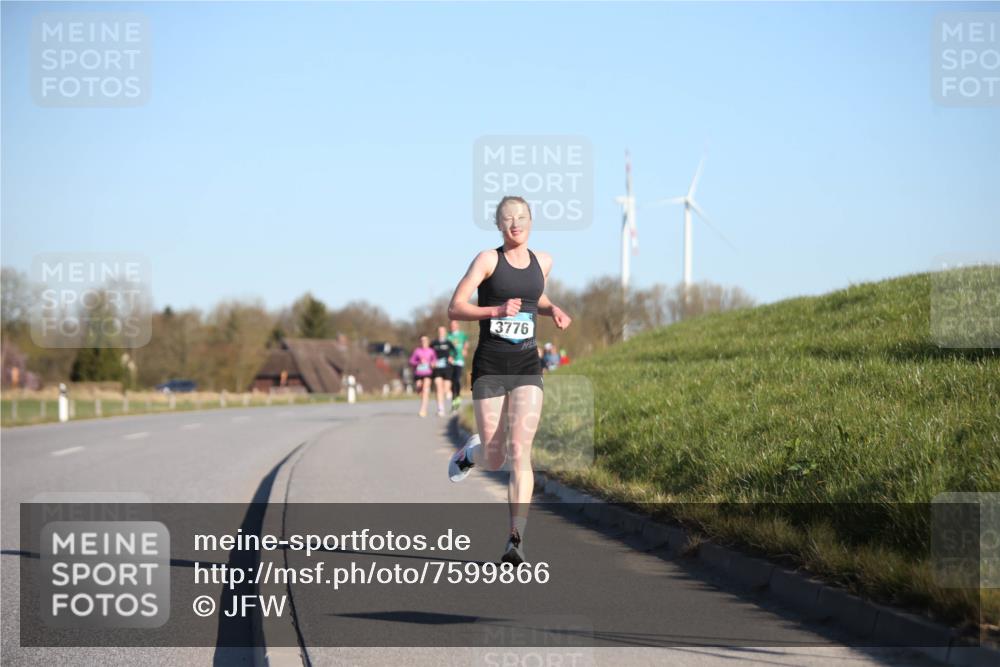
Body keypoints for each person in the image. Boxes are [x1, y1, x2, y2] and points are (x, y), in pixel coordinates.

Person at [446, 195, 572, 564]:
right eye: (506, 219)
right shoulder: (488, 260)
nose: (514, 223)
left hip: (527, 367)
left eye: (521, 217)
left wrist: (554, 309)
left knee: (521, 452)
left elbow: (535, 297)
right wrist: (495, 310)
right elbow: (455, 306)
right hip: (490, 366)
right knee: (496, 456)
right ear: (498, 225)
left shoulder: (543, 262)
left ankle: (515, 539)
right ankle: (472, 452)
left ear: (531, 220)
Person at [430, 326, 456, 417]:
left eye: (442, 331)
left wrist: (451, 357)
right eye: (439, 331)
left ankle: (448, 391)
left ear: (445, 332)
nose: (441, 333)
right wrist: (431, 362)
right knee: (438, 386)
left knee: (445, 389)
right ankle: (440, 408)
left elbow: (455, 351)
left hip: (447, 367)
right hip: (437, 368)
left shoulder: (448, 343)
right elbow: (429, 353)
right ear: (437, 332)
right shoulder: (433, 343)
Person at [409, 336, 437, 417]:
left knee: (425, 389)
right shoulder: (417, 351)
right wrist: (418, 362)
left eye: (425, 341)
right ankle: (422, 398)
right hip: (418, 373)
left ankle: (423, 409)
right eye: (422, 341)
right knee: (419, 389)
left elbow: (434, 360)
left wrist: (432, 364)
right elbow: (411, 361)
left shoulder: (431, 351)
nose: (423, 342)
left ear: (428, 342)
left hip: (428, 373)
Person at [446, 319, 469, 412]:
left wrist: (465, 349)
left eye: (454, 325)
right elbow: (444, 347)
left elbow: (466, 343)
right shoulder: (447, 335)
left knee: (456, 379)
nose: (453, 327)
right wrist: (448, 356)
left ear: (457, 326)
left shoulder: (462, 335)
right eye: (451, 325)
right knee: (451, 381)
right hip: (450, 361)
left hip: (459, 359)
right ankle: (454, 401)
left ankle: (458, 396)